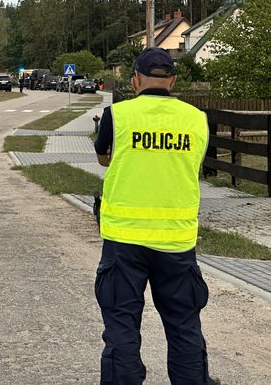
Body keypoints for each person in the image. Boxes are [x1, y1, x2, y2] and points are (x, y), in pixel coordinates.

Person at [93, 47, 218, 385]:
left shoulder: (117, 115)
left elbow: (105, 159)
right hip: (176, 242)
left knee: (121, 327)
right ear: (173, 80)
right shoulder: (196, 119)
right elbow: (198, 163)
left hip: (124, 241)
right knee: (184, 328)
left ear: (134, 80)